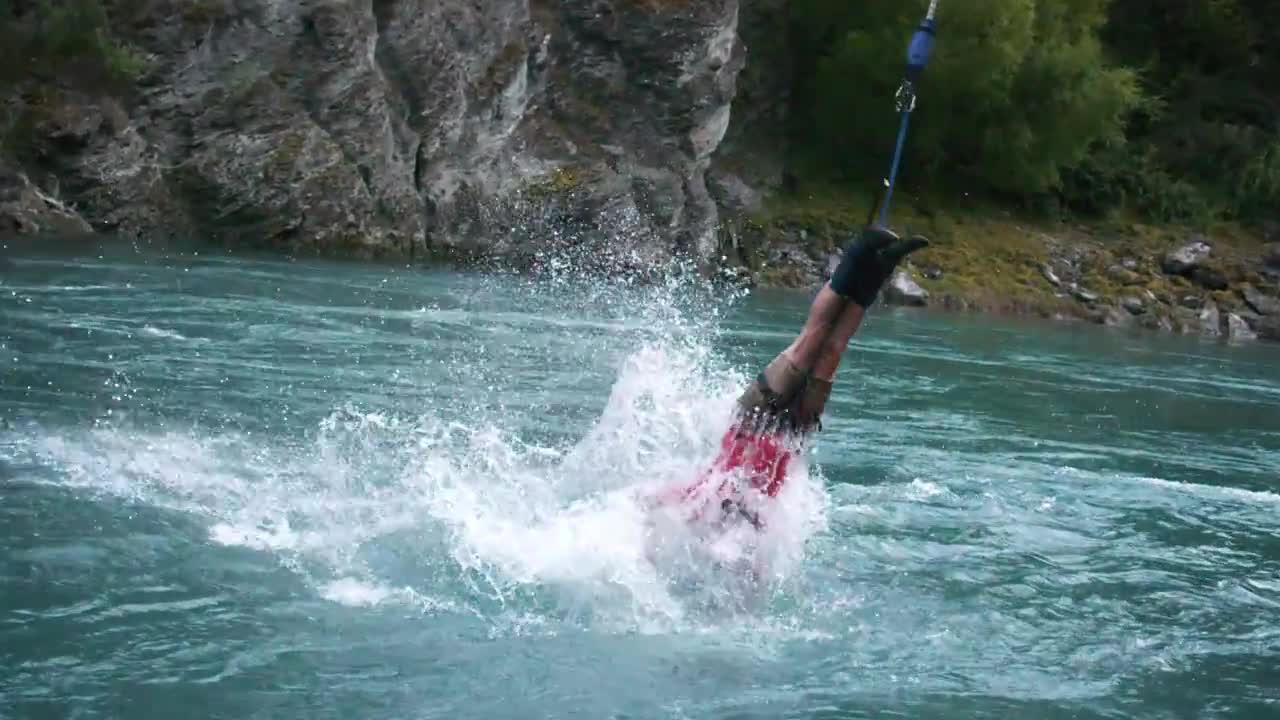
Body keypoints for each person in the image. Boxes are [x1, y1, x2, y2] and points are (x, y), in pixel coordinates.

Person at [644, 224, 929, 531]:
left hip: (753, 418)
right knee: (833, 349)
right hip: (794, 432)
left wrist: (639, 509)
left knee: (810, 342)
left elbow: (656, 501)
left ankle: (859, 252)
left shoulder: (703, 496)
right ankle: (882, 269)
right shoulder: (758, 523)